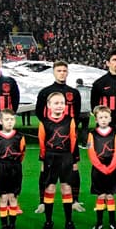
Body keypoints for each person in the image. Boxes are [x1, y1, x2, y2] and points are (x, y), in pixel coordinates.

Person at [35, 61, 85, 214]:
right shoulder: (45, 92)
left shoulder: (74, 92)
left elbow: (75, 114)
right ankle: (42, 202)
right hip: (51, 135)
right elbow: (39, 112)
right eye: (59, 70)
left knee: (74, 169)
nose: (62, 73)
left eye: (64, 70)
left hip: (69, 134)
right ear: (54, 72)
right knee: (45, 171)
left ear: (67, 72)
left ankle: (74, 200)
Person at [38, 91, 79, 229]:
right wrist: (42, 160)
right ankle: (48, 222)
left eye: (62, 103)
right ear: (49, 105)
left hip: (66, 157)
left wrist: (74, 159)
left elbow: (74, 140)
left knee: (66, 188)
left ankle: (69, 221)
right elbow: (42, 142)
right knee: (50, 188)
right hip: (50, 157)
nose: (59, 106)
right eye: (56, 103)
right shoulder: (44, 122)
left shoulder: (70, 120)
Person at [0, 109, 25, 229]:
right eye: (6, 119)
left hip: (15, 167)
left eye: (12, 119)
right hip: (1, 167)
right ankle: (4, 225)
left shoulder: (19, 137)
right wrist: (0, 165)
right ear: (0, 121)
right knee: (3, 196)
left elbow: (22, 153)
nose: (9, 122)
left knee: (13, 196)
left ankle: (13, 225)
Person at [86, 105, 116, 229]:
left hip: (112, 168)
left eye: (106, 117)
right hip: (98, 169)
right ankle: (99, 222)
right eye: (100, 117)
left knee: (110, 196)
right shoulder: (91, 134)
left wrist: (111, 167)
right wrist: (101, 167)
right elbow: (91, 152)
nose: (103, 119)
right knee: (100, 196)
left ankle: (112, 222)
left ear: (110, 118)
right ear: (96, 120)